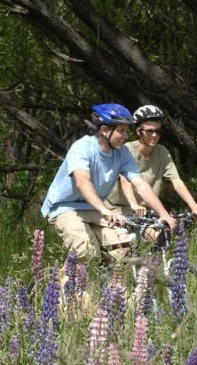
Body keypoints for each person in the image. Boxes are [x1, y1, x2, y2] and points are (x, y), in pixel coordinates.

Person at [41, 103, 176, 263]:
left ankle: (114, 288)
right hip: (65, 207)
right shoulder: (82, 148)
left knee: (121, 252)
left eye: (127, 130)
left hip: (93, 209)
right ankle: (62, 287)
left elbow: (140, 184)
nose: (126, 136)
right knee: (85, 252)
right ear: (104, 130)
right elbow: (82, 182)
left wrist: (164, 214)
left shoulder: (122, 153)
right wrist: (106, 210)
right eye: (121, 131)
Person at [109, 105, 197, 223]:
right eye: (149, 131)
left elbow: (176, 181)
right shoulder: (126, 149)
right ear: (139, 131)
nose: (154, 135)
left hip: (147, 211)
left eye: (158, 131)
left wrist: (194, 207)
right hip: (119, 208)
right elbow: (125, 180)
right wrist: (134, 204)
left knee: (162, 236)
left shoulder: (162, 152)